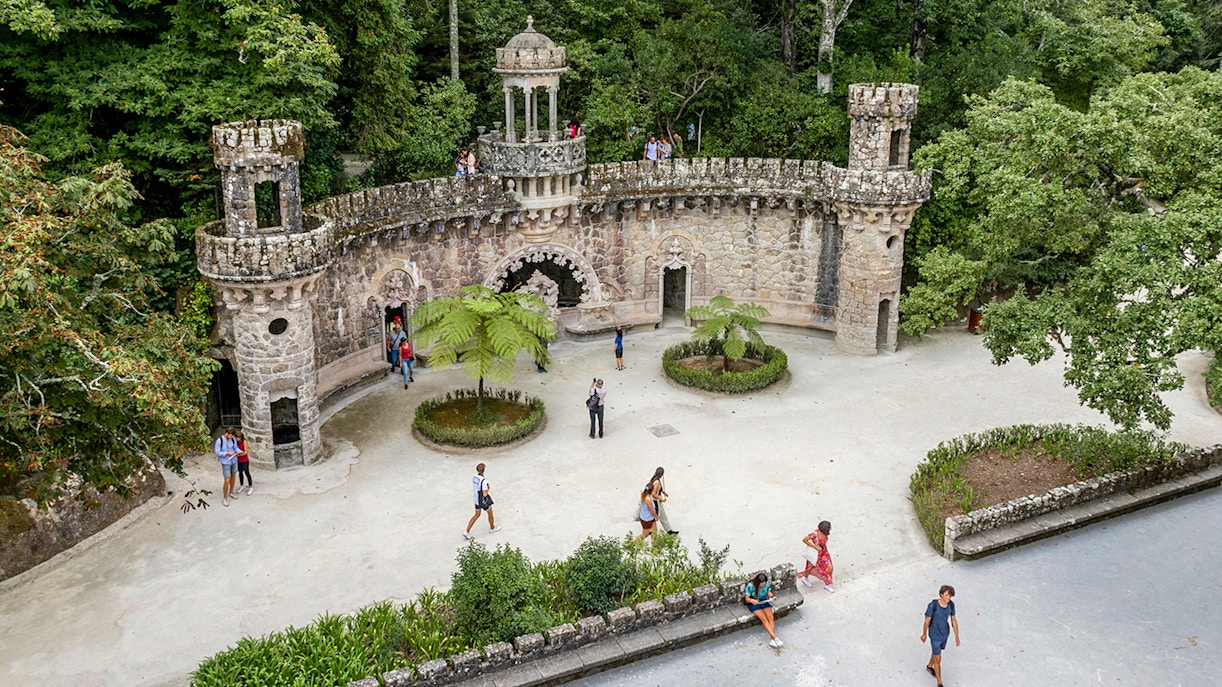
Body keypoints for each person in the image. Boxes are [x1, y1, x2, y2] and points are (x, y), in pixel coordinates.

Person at [921, 585, 961, 687]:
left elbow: (953, 620)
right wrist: (924, 634)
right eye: (946, 595)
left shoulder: (951, 605)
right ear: (941, 594)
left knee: (936, 653)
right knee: (938, 659)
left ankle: (930, 666)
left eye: (950, 596)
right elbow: (927, 621)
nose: (948, 598)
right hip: (934, 635)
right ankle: (939, 683)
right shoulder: (932, 606)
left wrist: (957, 636)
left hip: (945, 634)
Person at [744, 572, 783, 648]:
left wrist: (772, 596)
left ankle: (772, 639)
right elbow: (747, 598)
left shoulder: (766, 584)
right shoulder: (750, 586)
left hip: (763, 600)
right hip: (754, 602)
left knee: (770, 617)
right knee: (764, 618)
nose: (762, 585)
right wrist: (752, 601)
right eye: (761, 584)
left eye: (764, 583)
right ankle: (775, 637)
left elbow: (768, 591)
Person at [464, 463, 500, 539]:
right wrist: (488, 488)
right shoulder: (484, 481)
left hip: (476, 499)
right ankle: (492, 528)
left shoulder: (474, 477)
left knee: (476, 515)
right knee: (490, 512)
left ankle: (467, 531)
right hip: (483, 501)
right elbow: (484, 494)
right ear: (484, 470)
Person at [797, 520, 834, 591]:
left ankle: (828, 583)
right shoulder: (814, 534)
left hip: (823, 552)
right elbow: (804, 540)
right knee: (810, 567)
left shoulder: (825, 534)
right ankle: (805, 578)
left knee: (830, 567)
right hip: (815, 553)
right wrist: (815, 547)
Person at [647, 467, 678, 535]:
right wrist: (661, 499)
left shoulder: (654, 479)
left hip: (652, 501)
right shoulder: (657, 482)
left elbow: (656, 489)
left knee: (653, 515)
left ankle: (650, 529)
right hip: (656, 501)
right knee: (662, 516)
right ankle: (669, 531)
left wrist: (663, 492)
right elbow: (653, 494)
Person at [213, 427, 239, 507]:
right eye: (231, 435)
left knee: (233, 475)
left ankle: (231, 492)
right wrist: (227, 453)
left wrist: (238, 451)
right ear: (227, 433)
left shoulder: (233, 439)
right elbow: (217, 452)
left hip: (234, 460)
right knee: (227, 479)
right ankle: (225, 497)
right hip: (226, 462)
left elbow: (235, 448)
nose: (231, 437)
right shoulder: (219, 441)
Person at [235, 430, 253, 496]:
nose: (237, 439)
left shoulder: (244, 441)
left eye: (238, 438)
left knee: (247, 472)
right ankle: (241, 485)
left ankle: (250, 486)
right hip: (239, 460)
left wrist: (239, 454)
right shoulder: (236, 442)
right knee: (240, 473)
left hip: (244, 459)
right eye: (236, 438)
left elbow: (245, 452)